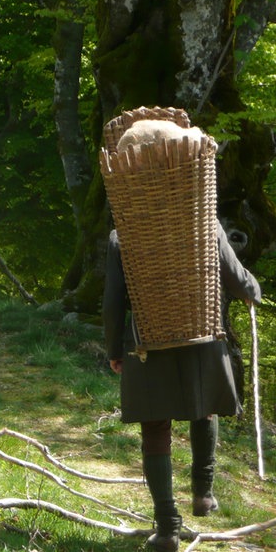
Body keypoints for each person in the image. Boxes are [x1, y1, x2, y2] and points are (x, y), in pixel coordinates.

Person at [102, 222, 261, 551]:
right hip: (200, 338)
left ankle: (167, 529)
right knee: (204, 407)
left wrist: (115, 349)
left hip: (147, 342)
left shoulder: (123, 235)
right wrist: (252, 290)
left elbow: (113, 299)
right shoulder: (205, 224)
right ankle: (203, 494)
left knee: (155, 428)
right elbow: (235, 277)